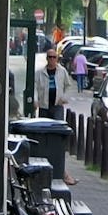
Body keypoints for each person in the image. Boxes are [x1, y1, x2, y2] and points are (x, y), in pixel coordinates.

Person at [33, 49, 78, 185]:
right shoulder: (40, 73)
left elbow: (69, 86)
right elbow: (34, 87)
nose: (52, 59)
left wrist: (63, 98)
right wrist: (35, 100)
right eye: (49, 57)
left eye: (54, 57)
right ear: (47, 58)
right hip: (44, 106)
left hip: (57, 106)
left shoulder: (62, 71)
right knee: (44, 135)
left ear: (57, 59)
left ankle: (61, 171)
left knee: (57, 136)